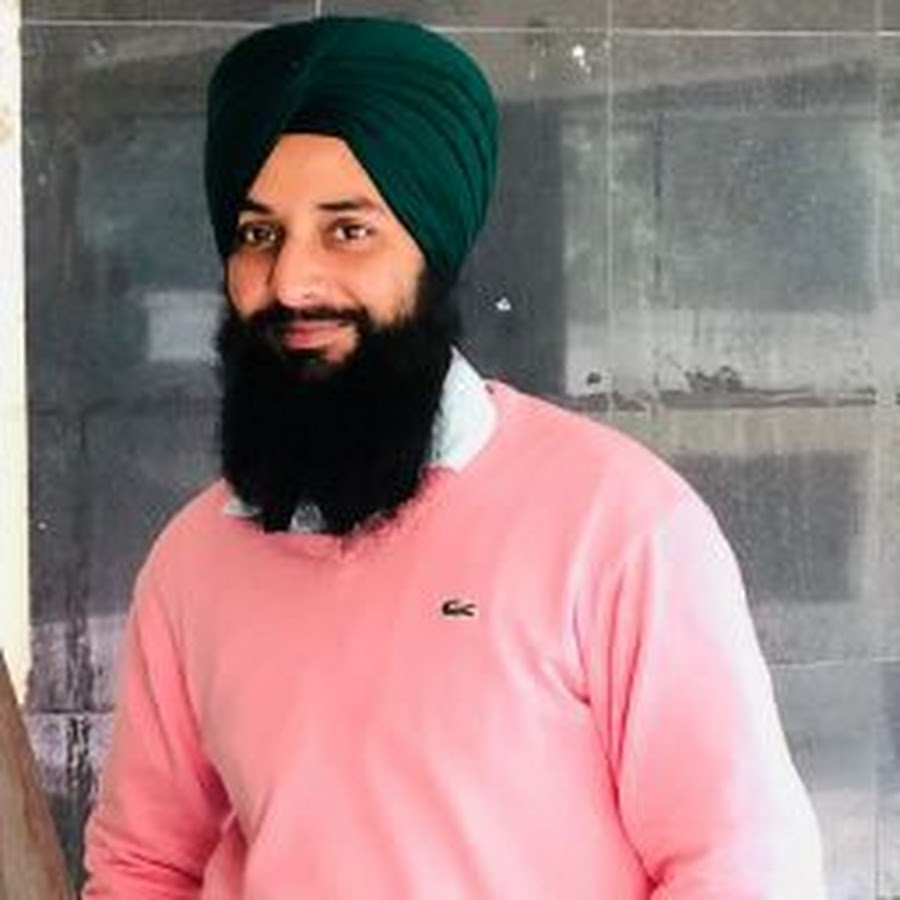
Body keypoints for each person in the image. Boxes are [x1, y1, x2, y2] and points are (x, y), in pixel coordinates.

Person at [83, 16, 824, 898]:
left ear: (431, 253)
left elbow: (742, 868)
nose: (291, 282)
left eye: (348, 231)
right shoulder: (193, 558)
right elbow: (143, 866)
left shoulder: (618, 524)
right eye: (258, 234)